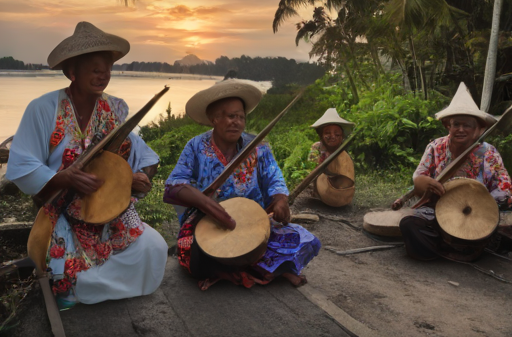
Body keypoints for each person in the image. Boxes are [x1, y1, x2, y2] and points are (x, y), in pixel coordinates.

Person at [6, 22, 168, 306]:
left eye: (107, 68)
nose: (103, 75)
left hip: (109, 211)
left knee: (154, 249)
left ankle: (95, 287)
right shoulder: (43, 108)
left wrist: (139, 176)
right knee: (68, 278)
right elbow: (20, 165)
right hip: (60, 211)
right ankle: (81, 286)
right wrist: (65, 178)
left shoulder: (115, 109)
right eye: (94, 68)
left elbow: (145, 155)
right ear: (72, 71)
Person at [163, 80, 321, 290]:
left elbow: (274, 178)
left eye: (241, 117)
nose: (236, 122)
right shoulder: (195, 146)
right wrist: (210, 207)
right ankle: (267, 270)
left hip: (252, 222)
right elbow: (174, 185)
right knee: (191, 255)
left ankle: (237, 270)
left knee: (306, 241)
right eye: (230, 116)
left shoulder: (258, 146)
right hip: (209, 222)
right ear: (214, 119)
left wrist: (280, 199)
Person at [400, 82, 512, 261]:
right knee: (409, 224)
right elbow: (419, 175)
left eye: (467, 125)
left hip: (477, 216)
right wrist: (421, 182)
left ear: (478, 129)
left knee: (503, 229)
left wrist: (481, 203)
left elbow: (505, 188)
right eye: (456, 124)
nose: (460, 129)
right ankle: (464, 251)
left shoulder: (488, 153)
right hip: (438, 213)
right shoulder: (435, 147)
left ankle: (447, 249)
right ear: (447, 126)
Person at [308, 108, 355, 206]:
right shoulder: (317, 147)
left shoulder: (342, 153)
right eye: (327, 133)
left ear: (341, 136)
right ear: (321, 135)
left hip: (338, 187)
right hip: (322, 182)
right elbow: (312, 167)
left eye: (336, 133)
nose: (332, 136)